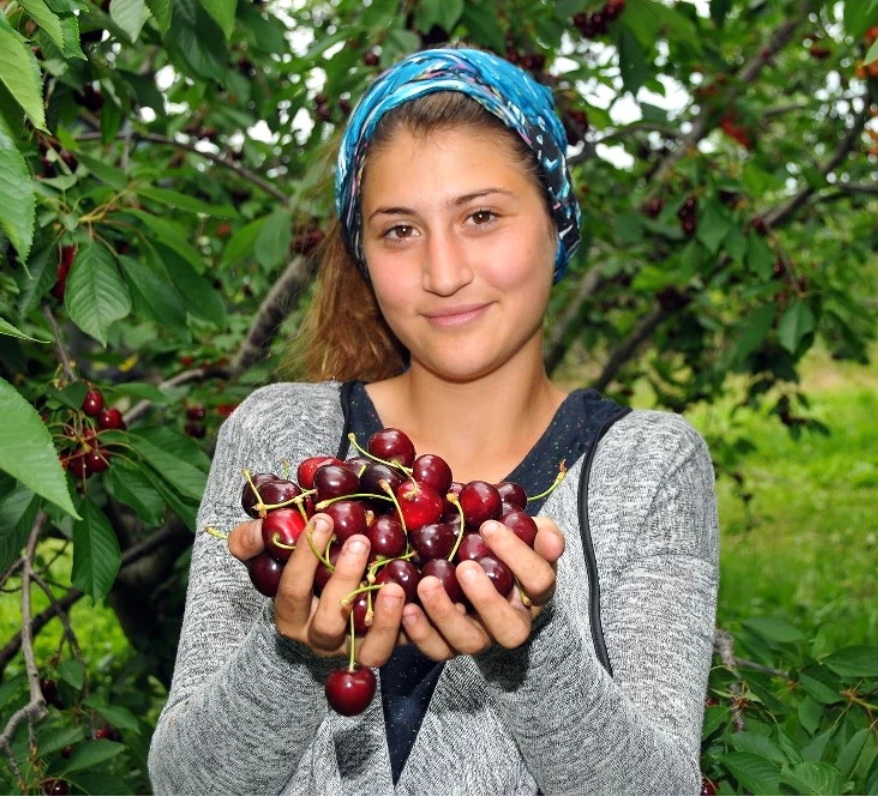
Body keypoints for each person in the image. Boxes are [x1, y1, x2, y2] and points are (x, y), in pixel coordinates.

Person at [147, 46, 719, 795]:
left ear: (557, 220)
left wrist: (530, 653)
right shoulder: (284, 452)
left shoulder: (650, 466)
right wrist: (292, 650)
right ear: (363, 252)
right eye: (399, 231)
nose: (443, 272)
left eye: (481, 216)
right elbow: (188, 785)